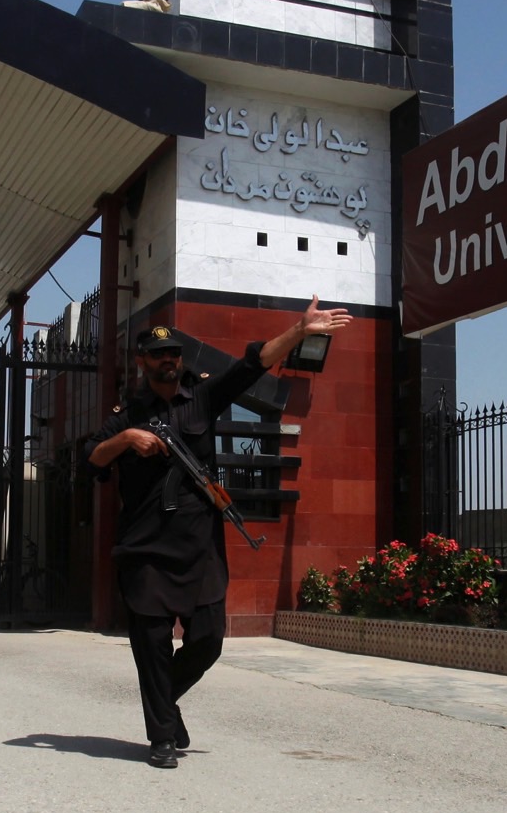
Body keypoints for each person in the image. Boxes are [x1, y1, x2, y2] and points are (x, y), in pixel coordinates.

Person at [86, 295, 354, 768]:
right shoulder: (127, 415)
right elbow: (92, 457)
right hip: (146, 548)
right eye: (159, 354)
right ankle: (162, 738)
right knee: (150, 645)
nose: (168, 360)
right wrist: (127, 439)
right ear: (143, 361)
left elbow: (254, 364)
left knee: (208, 640)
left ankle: (163, 705)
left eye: (174, 354)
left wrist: (299, 330)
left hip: (199, 545)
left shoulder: (203, 400)